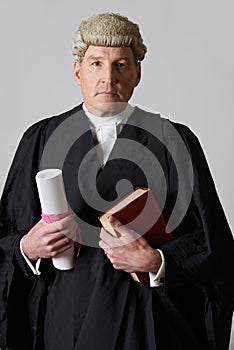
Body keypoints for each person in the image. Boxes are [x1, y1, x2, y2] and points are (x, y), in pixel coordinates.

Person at [0, 12, 233, 350]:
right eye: (96, 63)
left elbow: (212, 246)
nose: (108, 77)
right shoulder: (40, 139)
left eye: (121, 65)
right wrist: (28, 249)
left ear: (137, 73)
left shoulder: (174, 142)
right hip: (66, 321)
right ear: (77, 70)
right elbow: (7, 235)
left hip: (149, 320)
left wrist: (158, 262)